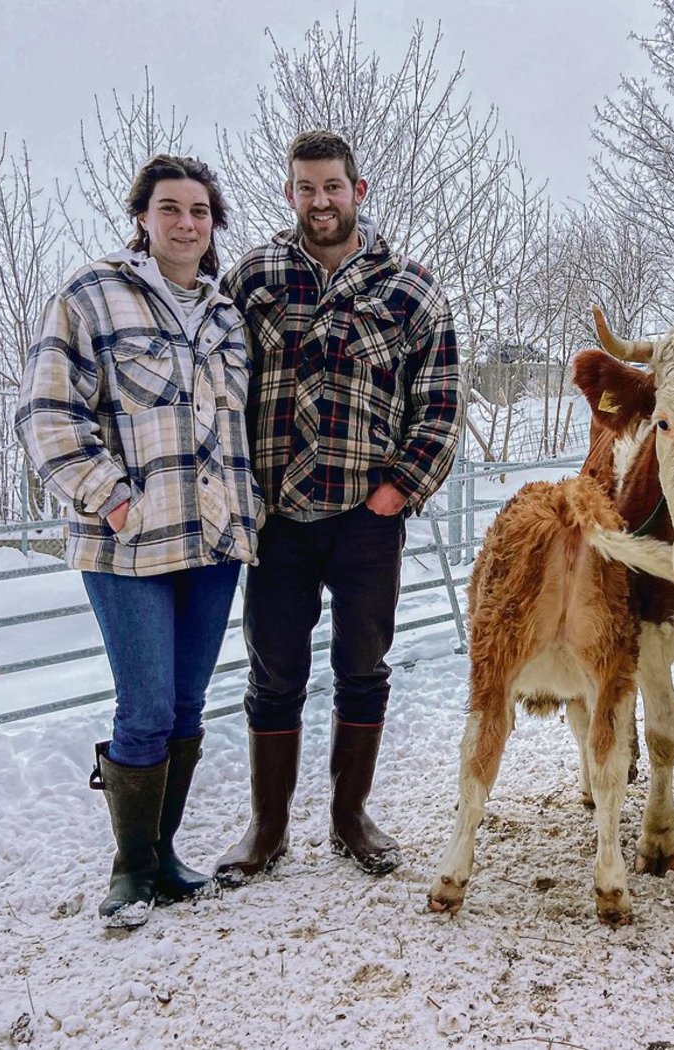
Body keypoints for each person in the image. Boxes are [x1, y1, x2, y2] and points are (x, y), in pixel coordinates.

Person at [14, 155, 263, 928]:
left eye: (200, 210)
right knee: (146, 706)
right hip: (128, 547)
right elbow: (46, 415)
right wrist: (114, 499)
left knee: (188, 705)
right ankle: (131, 867)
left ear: (213, 223)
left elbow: (238, 425)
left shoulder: (226, 316)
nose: (187, 222)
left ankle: (163, 856)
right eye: (171, 208)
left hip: (214, 541)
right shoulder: (90, 295)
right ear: (143, 218)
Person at [216, 130, 460, 882]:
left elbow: (441, 402)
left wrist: (402, 488)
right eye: (306, 188)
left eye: (333, 186)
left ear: (359, 190)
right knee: (274, 671)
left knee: (364, 667)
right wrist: (234, 492)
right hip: (279, 517)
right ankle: (268, 827)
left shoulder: (409, 288)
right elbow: (218, 387)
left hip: (366, 515)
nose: (320, 201)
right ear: (289, 195)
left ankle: (351, 817)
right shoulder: (253, 279)